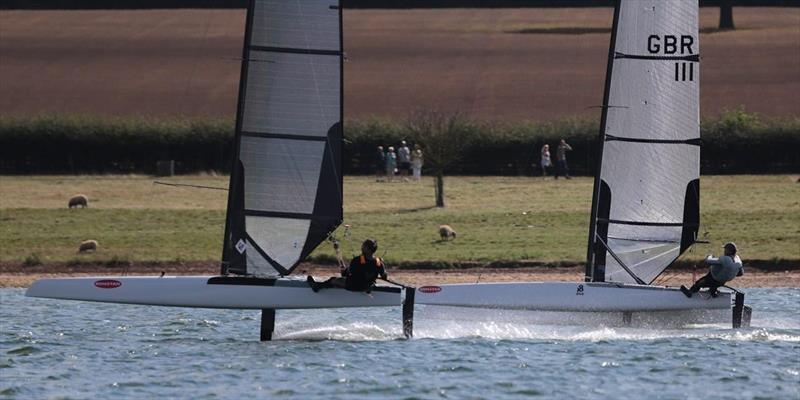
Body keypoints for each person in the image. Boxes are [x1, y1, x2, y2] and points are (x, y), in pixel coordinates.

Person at [307, 239, 387, 293]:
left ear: (368, 249)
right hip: (367, 288)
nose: (361, 247)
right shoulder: (378, 262)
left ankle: (317, 287)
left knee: (333, 280)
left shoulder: (358, 260)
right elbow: (384, 276)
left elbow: (345, 274)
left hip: (353, 286)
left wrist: (343, 269)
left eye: (363, 246)